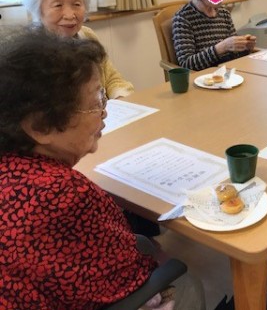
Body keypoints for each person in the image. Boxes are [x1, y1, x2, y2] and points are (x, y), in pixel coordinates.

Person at [0, 27, 173, 309]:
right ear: (40, 126)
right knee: (188, 281)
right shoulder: (63, 192)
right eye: (95, 103)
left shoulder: (13, 167)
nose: (104, 112)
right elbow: (123, 278)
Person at [23, 0, 134, 99]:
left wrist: (121, 99)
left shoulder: (87, 35)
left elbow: (112, 79)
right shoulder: (29, 52)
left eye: (76, 4)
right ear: (38, 9)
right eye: (58, 5)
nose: (70, 15)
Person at [172, 0, 256, 71]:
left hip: (227, 73)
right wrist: (221, 48)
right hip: (203, 78)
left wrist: (245, 47)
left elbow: (234, 55)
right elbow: (187, 64)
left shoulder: (224, 14)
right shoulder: (183, 19)